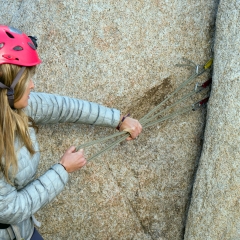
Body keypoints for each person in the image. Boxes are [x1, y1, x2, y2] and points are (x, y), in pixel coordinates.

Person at [0, 25, 142, 240]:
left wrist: (118, 120)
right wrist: (62, 170)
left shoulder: (15, 108)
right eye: (25, 79)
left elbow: (64, 107)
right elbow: (10, 209)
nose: (32, 84)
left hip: (23, 231)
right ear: (7, 88)